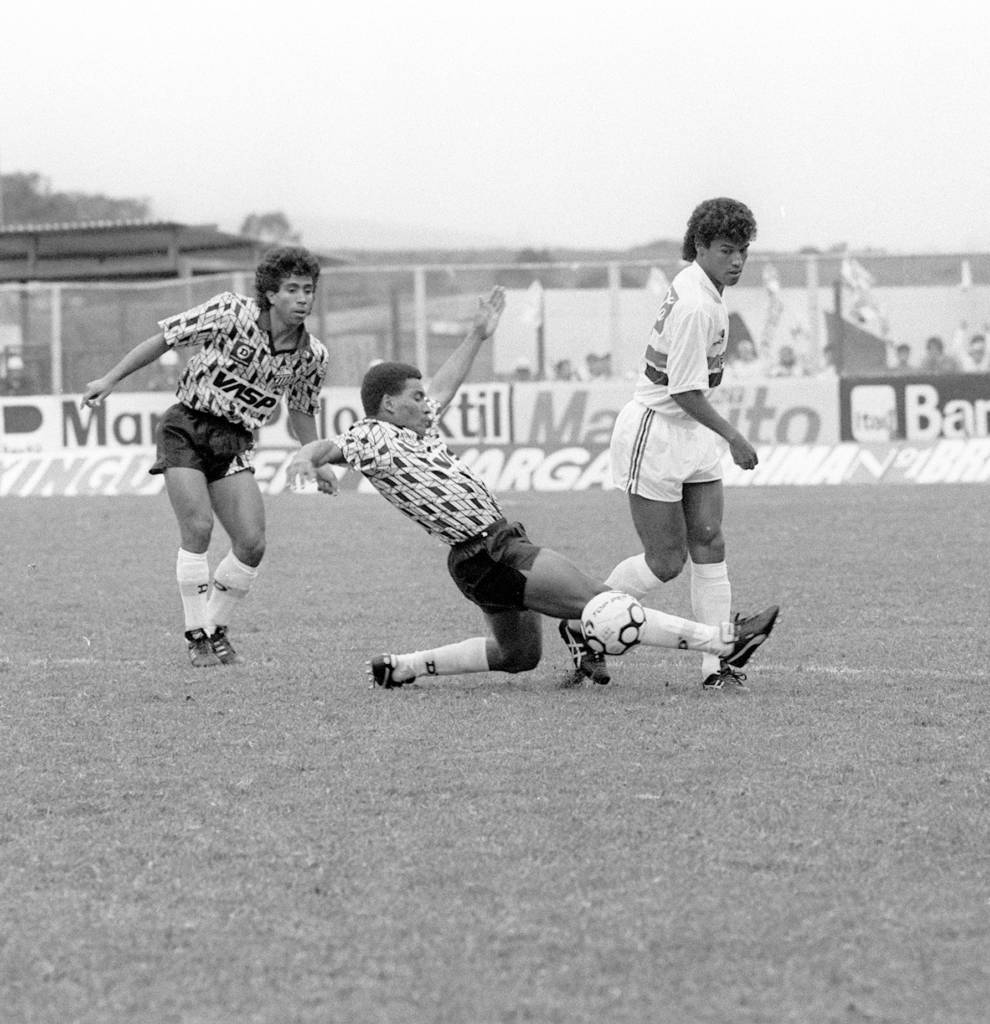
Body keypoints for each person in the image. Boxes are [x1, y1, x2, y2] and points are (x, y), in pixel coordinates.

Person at [286, 286, 778, 690]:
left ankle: (403, 667)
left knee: (516, 656)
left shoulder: (412, 429)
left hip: (477, 558)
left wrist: (477, 336)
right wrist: (308, 462)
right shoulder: (372, 435)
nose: (426, 402)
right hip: (492, 549)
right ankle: (723, 642)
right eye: (414, 396)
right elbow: (326, 447)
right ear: (388, 405)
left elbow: (443, 388)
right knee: (604, 606)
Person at [81, 246, 329, 668]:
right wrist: (110, 378)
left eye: (308, 290)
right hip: (186, 426)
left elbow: (302, 412)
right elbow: (165, 338)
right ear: (270, 294)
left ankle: (214, 627)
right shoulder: (230, 313)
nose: (303, 298)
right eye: (292, 289)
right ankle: (196, 634)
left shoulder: (312, 356)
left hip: (234, 440)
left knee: (252, 543)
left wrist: (317, 459)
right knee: (198, 527)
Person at [564, 197, 764, 691]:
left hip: (690, 432)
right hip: (655, 432)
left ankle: (716, 664)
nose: (736, 261)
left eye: (743, 251)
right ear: (700, 247)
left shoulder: (703, 286)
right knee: (666, 561)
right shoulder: (698, 304)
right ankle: (582, 622)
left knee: (710, 540)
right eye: (725, 250)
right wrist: (734, 436)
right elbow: (683, 391)